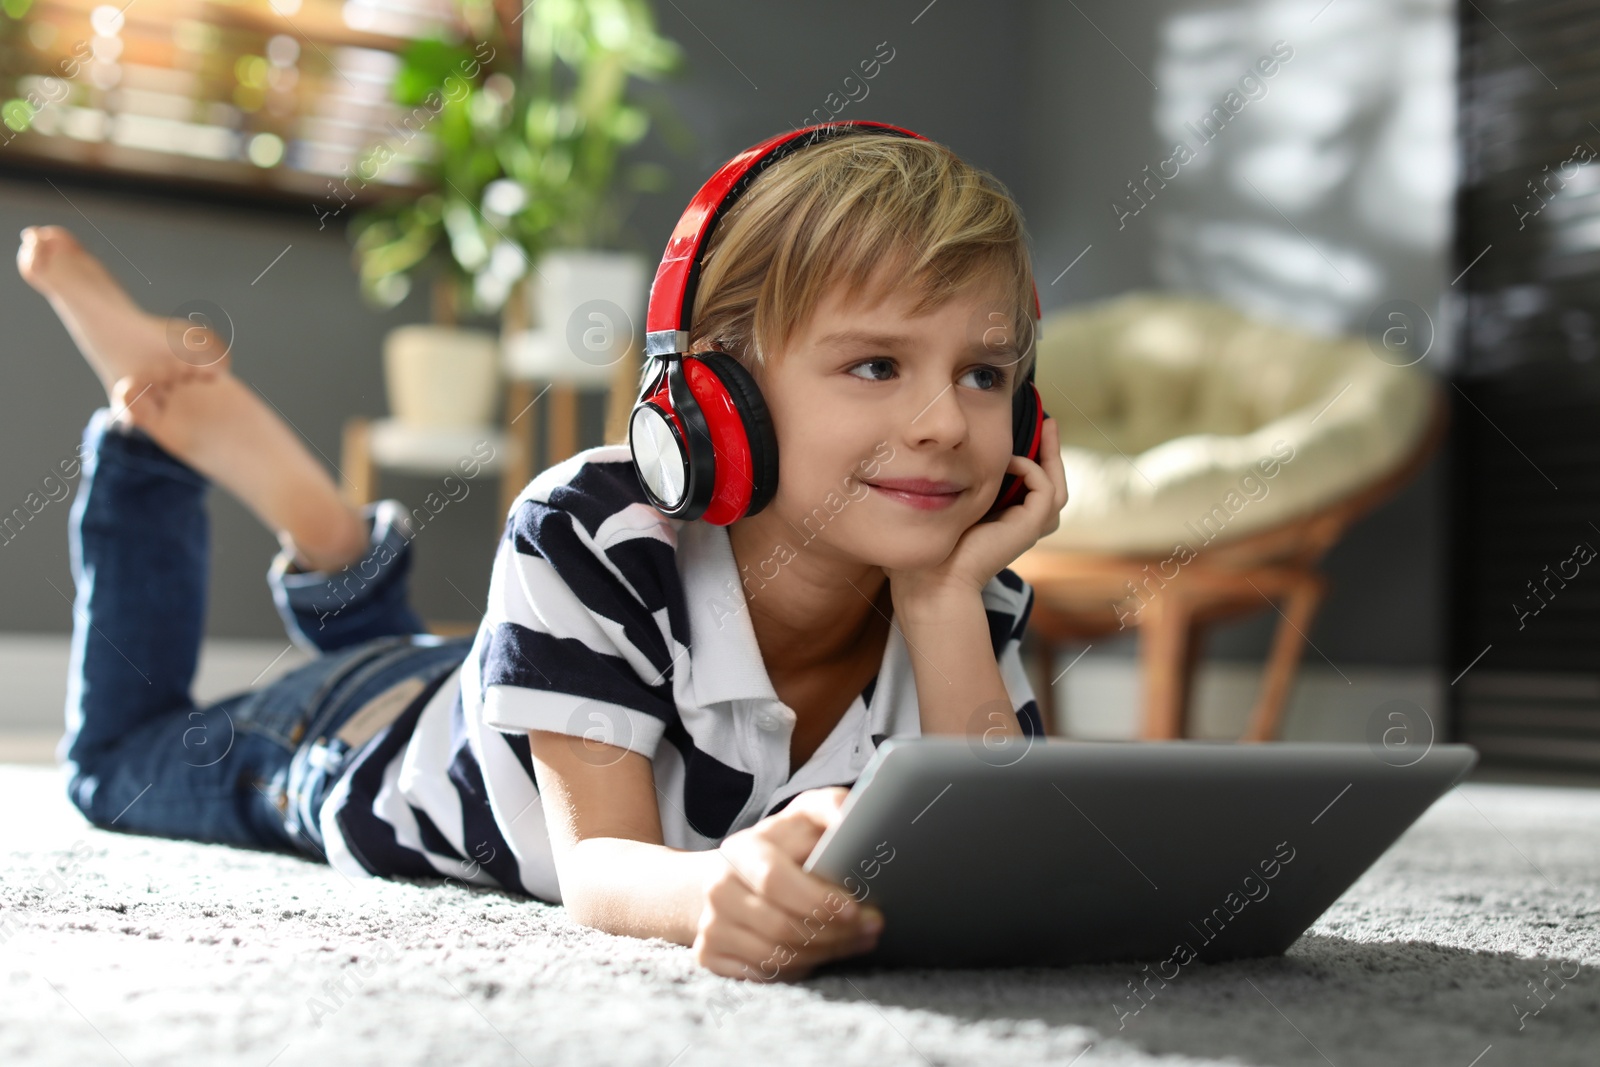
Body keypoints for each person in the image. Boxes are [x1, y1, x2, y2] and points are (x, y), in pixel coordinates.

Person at [17, 127, 1067, 983]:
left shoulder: (967, 582)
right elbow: (599, 866)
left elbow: (999, 873)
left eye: (983, 374)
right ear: (716, 398)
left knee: (460, 670)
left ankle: (332, 543)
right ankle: (152, 446)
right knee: (114, 766)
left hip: (504, 691)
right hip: (363, 743)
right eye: (877, 363)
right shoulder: (594, 526)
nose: (943, 423)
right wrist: (715, 888)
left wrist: (940, 599)